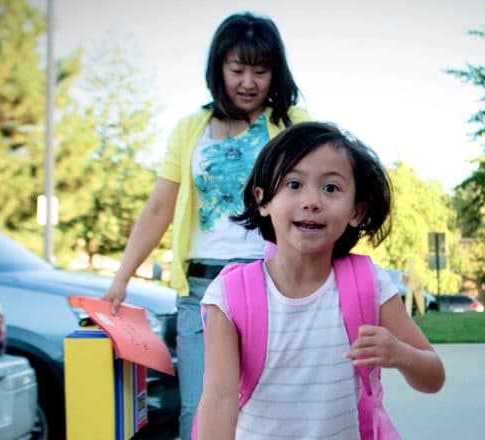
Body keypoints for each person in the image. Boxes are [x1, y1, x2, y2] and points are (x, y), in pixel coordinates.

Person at [101, 12, 309, 439]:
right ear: (219, 68)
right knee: (198, 414)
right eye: (237, 69)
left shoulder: (292, 124)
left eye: (260, 70)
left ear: (276, 73)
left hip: (271, 284)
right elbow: (160, 206)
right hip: (202, 290)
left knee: (269, 412)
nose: (248, 82)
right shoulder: (189, 129)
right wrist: (121, 278)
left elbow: (316, 200)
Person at [195, 122, 446, 439]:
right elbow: (219, 400)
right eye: (293, 184)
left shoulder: (368, 283)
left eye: (331, 188)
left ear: (356, 210)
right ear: (263, 200)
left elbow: (433, 376)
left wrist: (401, 354)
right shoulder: (230, 296)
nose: (312, 201)